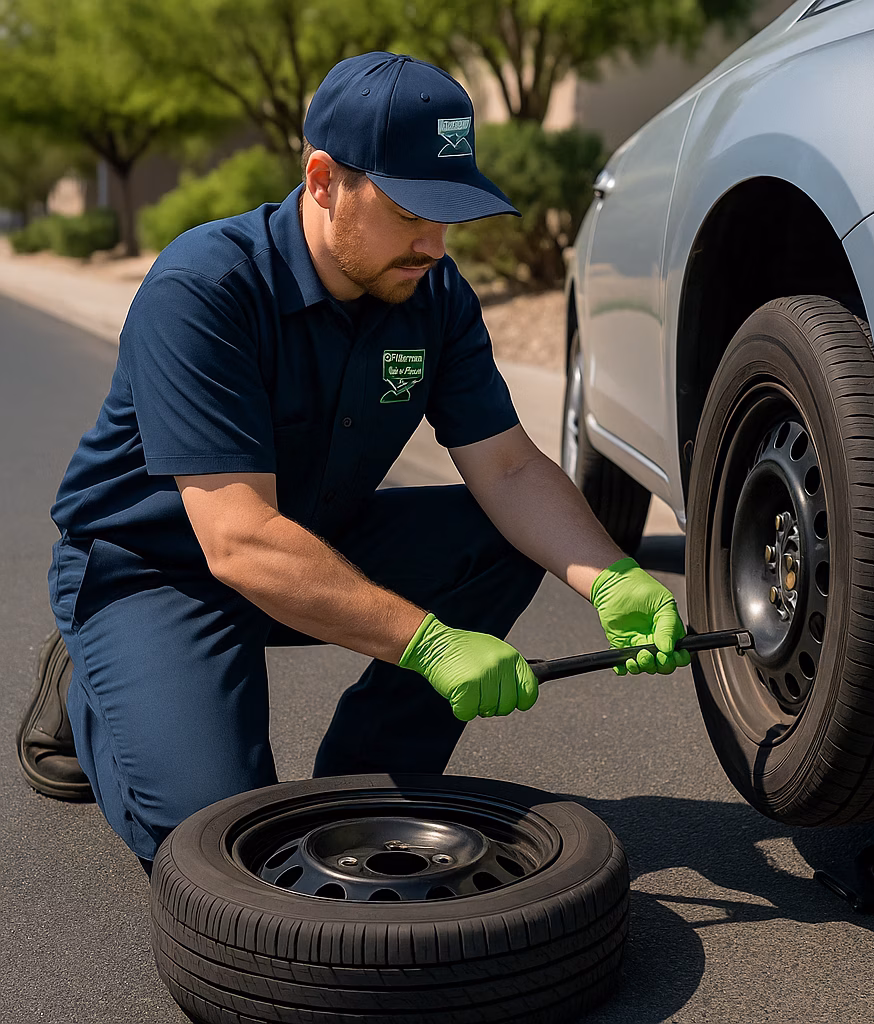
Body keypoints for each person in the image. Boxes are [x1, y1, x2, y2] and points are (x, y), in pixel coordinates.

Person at [18, 52, 689, 873]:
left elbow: (509, 469)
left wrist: (612, 577)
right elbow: (237, 541)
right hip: (158, 569)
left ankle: (367, 783)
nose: (435, 243)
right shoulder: (205, 289)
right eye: (412, 210)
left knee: (497, 535)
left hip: (310, 539)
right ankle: (95, 671)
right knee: (211, 839)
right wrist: (432, 643)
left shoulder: (432, 293)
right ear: (325, 179)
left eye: (452, 214)